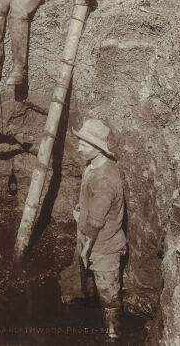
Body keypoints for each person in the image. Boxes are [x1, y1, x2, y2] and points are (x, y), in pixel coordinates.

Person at [72, 119, 127, 341]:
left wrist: (85, 250)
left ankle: (112, 336)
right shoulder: (95, 164)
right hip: (92, 240)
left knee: (109, 297)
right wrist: (81, 209)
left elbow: (95, 222)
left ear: (96, 147)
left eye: (83, 144)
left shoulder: (104, 180)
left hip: (103, 248)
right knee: (100, 291)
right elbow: (91, 202)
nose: (78, 148)